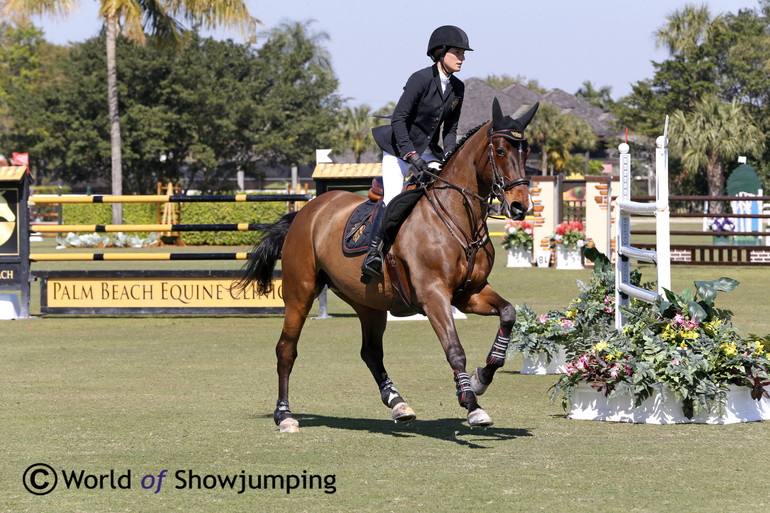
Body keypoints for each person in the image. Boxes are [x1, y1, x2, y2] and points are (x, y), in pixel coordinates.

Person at [361, 25, 472, 282]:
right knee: (391, 198)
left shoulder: (458, 88)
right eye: (457, 52)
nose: (462, 58)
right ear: (440, 52)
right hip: (399, 150)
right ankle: (373, 255)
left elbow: (451, 128)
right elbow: (399, 119)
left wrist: (450, 154)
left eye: (463, 53)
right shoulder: (420, 79)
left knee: (444, 194)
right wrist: (410, 155)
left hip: (430, 152)